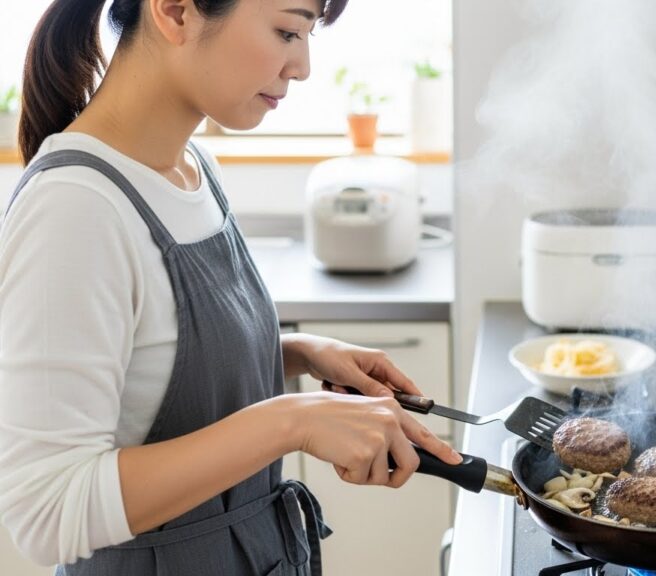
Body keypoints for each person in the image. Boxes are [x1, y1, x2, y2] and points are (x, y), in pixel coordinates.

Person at [0, 1, 463, 574]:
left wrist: (294, 354)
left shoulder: (193, 167)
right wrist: (294, 420)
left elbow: (153, 367)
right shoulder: (75, 209)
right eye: (287, 31)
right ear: (174, 12)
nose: (303, 66)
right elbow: (47, 510)